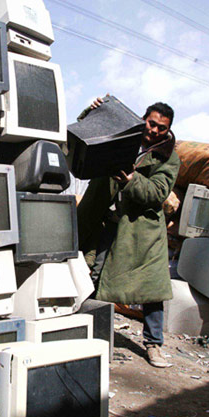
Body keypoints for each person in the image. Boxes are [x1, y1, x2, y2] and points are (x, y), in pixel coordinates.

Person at [76, 97, 180, 368]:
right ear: (143, 119)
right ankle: (86, 334)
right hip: (106, 222)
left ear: (168, 131)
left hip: (141, 231)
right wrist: (93, 110)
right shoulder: (122, 135)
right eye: (152, 123)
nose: (155, 131)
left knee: (152, 288)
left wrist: (132, 180)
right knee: (94, 277)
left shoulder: (168, 156)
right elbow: (86, 133)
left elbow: (158, 192)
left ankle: (154, 345)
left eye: (162, 128)